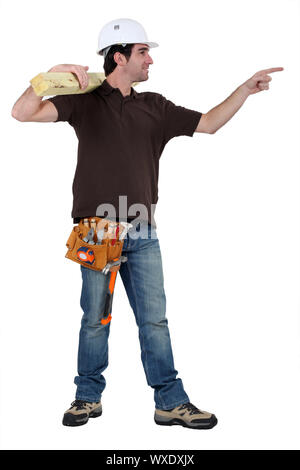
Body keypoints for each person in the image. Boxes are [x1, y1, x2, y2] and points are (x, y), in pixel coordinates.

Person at [11, 18, 283, 429]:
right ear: (118, 57)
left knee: (154, 320)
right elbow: (21, 112)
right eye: (143, 52)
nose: (150, 59)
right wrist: (52, 75)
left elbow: (208, 123)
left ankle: (170, 403)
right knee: (95, 319)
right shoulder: (83, 101)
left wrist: (244, 90)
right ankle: (86, 398)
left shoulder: (154, 106)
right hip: (98, 229)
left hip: (143, 230)